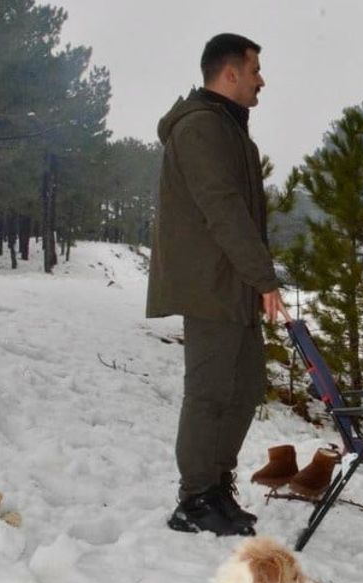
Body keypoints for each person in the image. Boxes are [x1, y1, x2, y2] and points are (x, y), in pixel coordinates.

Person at [147, 33, 283, 536]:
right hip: (210, 284)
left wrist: (254, 278)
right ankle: (194, 497)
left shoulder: (230, 129)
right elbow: (222, 209)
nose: (260, 80)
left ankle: (216, 485)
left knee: (245, 385)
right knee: (208, 391)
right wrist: (263, 277)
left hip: (234, 283)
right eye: (254, 71)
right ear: (230, 74)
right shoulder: (202, 128)